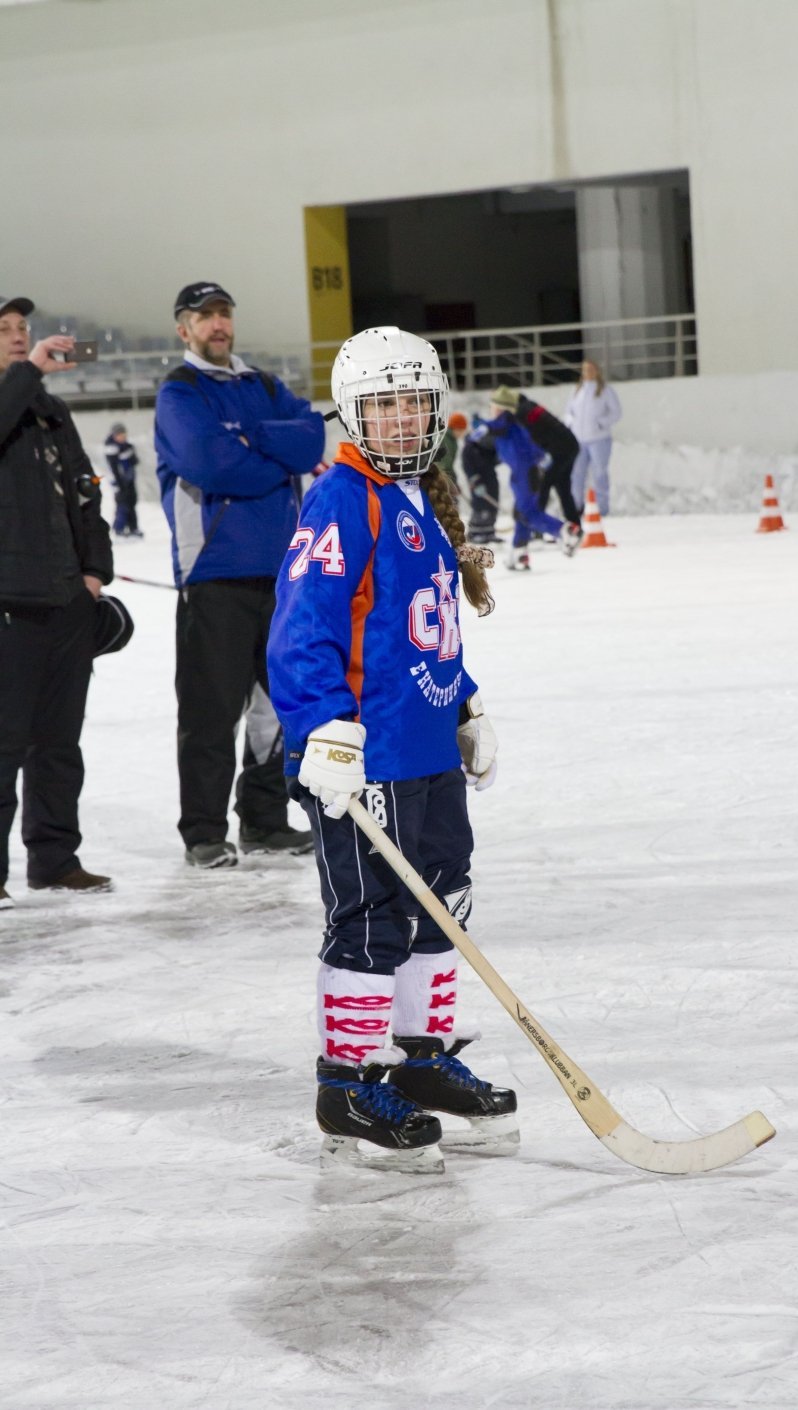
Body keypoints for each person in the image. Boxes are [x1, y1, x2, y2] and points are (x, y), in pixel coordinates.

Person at [267, 325, 517, 1169]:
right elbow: (304, 630)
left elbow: (423, 631)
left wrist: (467, 703)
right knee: (371, 917)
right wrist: (324, 727)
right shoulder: (343, 497)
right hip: (364, 757)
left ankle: (423, 1059)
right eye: (386, 405)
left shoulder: (419, 495)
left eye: (416, 403)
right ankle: (347, 1083)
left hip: (426, 754)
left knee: (443, 904)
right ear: (353, 413)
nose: (404, 420)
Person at [154, 281, 325, 870]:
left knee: (279, 706)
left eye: (224, 313)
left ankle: (264, 819)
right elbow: (207, 461)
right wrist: (271, 454)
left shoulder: (264, 385)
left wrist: (253, 439)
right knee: (210, 710)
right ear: (185, 329)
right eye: (205, 317)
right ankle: (204, 831)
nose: (218, 324)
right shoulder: (180, 391)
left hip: (283, 573)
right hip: (215, 574)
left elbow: (310, 441)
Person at [0, 294, 115, 908]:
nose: (19, 337)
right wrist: (27, 373)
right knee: (3, 744)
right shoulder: (17, 397)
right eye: (5, 330)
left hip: (67, 603)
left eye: (23, 329)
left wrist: (95, 572)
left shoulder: (50, 411)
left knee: (59, 744)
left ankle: (54, 859)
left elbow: (86, 490)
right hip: (8, 606)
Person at [483, 402, 581, 570]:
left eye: (493, 406)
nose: (492, 410)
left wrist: (481, 427)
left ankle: (565, 531)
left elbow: (496, 425)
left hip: (524, 473)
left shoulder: (506, 420)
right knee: (522, 512)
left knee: (528, 513)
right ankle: (520, 552)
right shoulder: (516, 426)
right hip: (528, 471)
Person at [490, 384, 583, 534]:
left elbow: (527, 437)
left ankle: (536, 526)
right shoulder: (528, 406)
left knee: (542, 486)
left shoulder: (521, 413)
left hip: (561, 451)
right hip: (570, 446)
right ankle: (575, 526)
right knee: (562, 488)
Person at [564, 360, 622, 517]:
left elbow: (615, 412)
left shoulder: (605, 391)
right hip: (579, 440)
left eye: (590, 370)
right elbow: (569, 411)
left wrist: (600, 423)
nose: (587, 373)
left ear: (596, 371)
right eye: (584, 370)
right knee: (577, 473)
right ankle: (576, 506)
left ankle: (602, 508)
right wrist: (571, 423)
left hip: (599, 439)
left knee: (599, 473)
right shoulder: (577, 391)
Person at [461, 415, 502, 545]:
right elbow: (467, 465)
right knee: (480, 506)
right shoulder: (469, 446)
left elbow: (494, 459)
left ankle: (489, 532)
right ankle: (476, 533)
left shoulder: (487, 444)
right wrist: (474, 480)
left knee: (492, 505)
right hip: (478, 482)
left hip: (490, 478)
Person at [104, 422, 142, 537]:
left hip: (129, 479)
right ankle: (119, 528)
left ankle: (133, 528)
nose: (122, 437)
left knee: (132, 503)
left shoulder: (127, 446)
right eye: (119, 434)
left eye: (123, 434)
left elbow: (135, 461)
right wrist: (119, 484)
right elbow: (114, 469)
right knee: (123, 505)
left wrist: (130, 454)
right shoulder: (111, 448)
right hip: (119, 482)